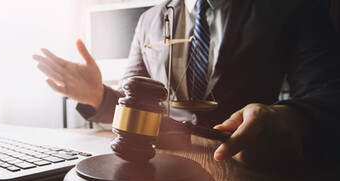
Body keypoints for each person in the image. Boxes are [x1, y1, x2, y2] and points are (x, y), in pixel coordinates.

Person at [33, 0, 340, 166]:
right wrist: (98, 97)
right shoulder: (149, 20)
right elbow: (135, 107)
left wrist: (290, 119)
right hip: (160, 165)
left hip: (247, 169)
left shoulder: (294, 6)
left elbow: (327, 95)